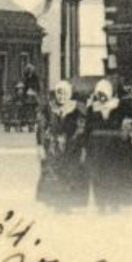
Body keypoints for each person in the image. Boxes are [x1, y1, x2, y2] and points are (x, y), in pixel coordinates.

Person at [83, 78, 132, 211]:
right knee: (98, 175)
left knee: (114, 175)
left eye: (104, 94)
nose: (101, 97)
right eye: (99, 94)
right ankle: (101, 204)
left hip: (116, 147)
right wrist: (85, 146)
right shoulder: (92, 108)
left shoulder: (119, 105)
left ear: (109, 93)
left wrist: (128, 128)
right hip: (97, 148)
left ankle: (114, 202)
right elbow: (87, 128)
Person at [36, 81, 90, 211]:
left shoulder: (78, 109)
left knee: (71, 171)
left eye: (64, 93)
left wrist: (82, 145)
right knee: (54, 172)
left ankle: (69, 202)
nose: (61, 97)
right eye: (58, 93)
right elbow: (41, 128)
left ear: (70, 94)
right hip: (54, 146)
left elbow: (83, 128)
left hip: (73, 145)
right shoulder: (49, 108)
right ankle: (57, 203)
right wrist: (41, 145)